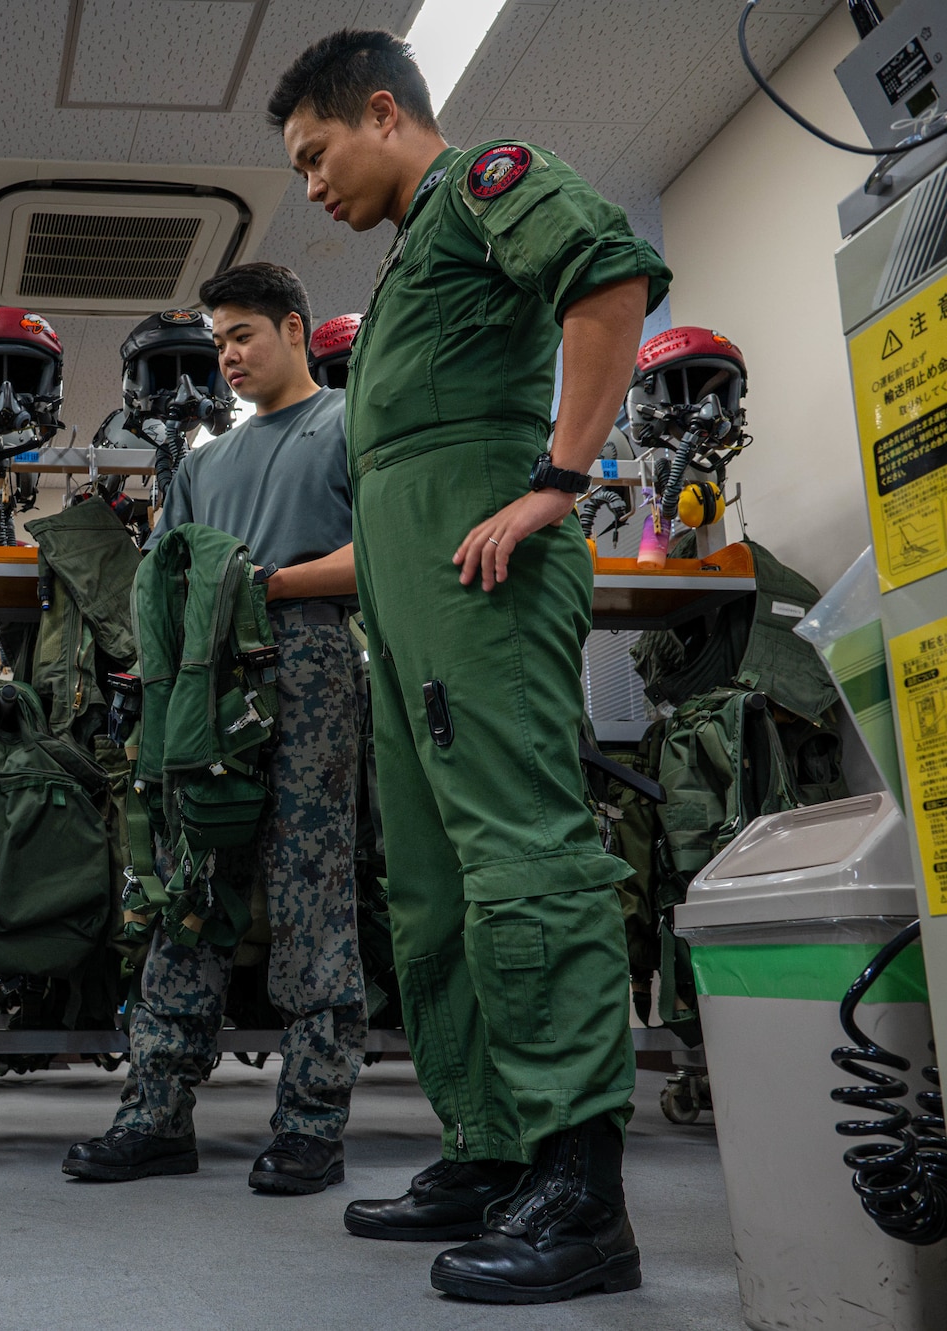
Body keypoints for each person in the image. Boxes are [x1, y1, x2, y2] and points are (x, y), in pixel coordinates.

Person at [269, 30, 672, 1304]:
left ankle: (578, 1184)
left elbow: (606, 277)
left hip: (480, 581)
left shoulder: (487, 180)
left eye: (316, 154)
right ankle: (490, 1144)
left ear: (381, 113)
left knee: (520, 857)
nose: (312, 186)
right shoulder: (406, 262)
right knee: (431, 885)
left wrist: (561, 477)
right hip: (408, 595)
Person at [63, 263, 367, 1197]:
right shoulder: (199, 466)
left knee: (309, 890)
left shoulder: (348, 423)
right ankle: (155, 1113)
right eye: (219, 338)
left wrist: (267, 585)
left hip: (310, 660)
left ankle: (312, 1123)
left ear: (295, 327)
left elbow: (385, 553)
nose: (228, 355)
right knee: (190, 884)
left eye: (244, 335)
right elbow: (167, 581)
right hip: (205, 677)